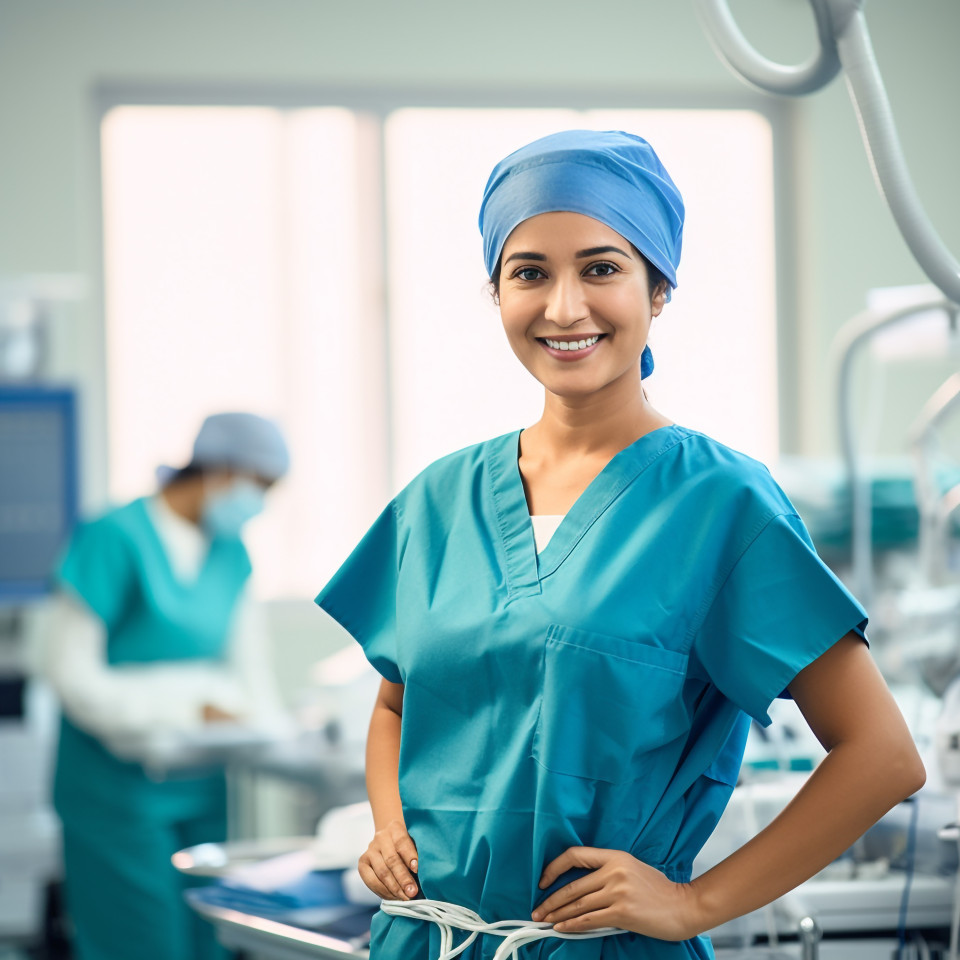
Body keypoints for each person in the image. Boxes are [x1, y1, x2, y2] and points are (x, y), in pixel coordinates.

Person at [315, 131, 925, 959]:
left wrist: (693, 902)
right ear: (495, 291)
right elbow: (395, 703)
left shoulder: (719, 504)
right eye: (529, 272)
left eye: (601, 268)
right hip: (424, 940)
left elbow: (883, 756)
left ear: (659, 289)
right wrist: (389, 825)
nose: (564, 308)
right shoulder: (438, 499)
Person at [44, 411, 290, 960]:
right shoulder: (115, 537)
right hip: (115, 790)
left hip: (204, 786)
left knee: (211, 937)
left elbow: (252, 676)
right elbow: (70, 674)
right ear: (222, 469)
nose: (260, 503)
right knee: (140, 939)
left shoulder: (232, 554)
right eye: (261, 486)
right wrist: (185, 706)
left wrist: (282, 734)